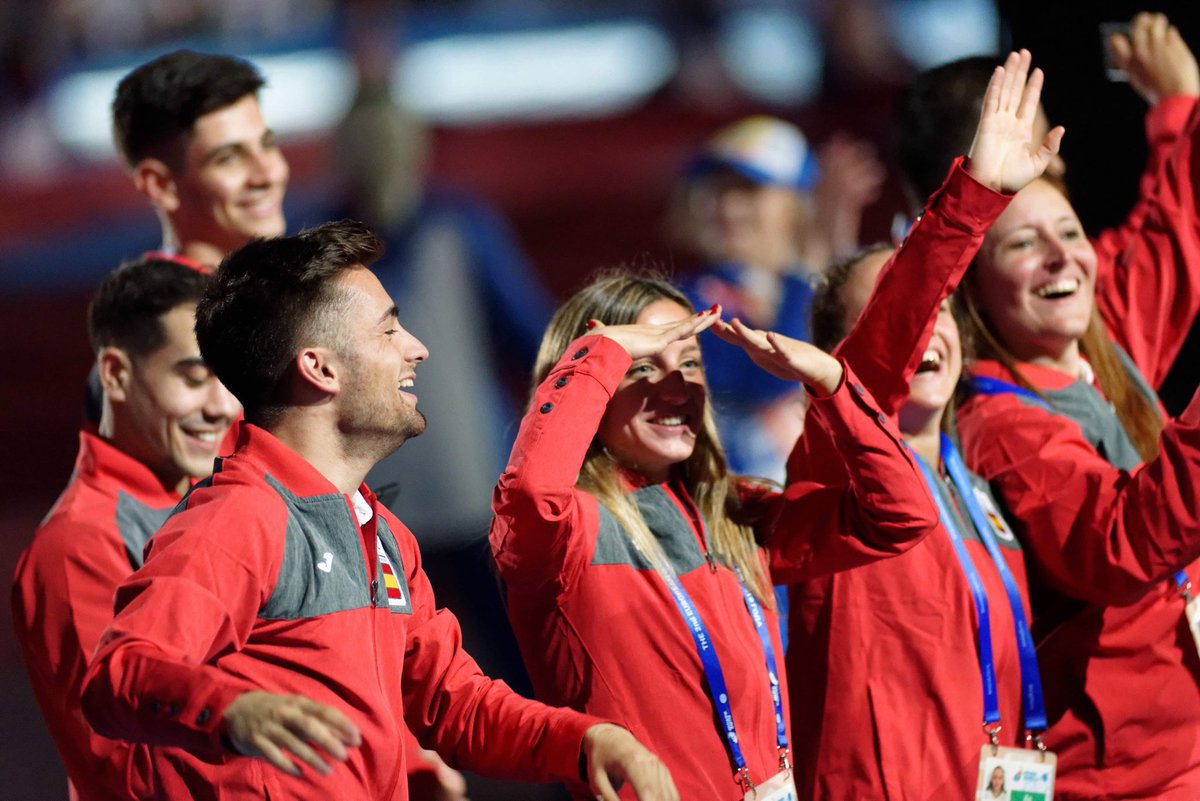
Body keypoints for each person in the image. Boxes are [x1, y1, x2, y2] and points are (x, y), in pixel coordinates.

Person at [79, 220, 678, 801]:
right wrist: (235, 709)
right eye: (389, 330)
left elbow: (453, 703)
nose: (418, 349)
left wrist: (588, 738)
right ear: (320, 367)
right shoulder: (237, 520)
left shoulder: (382, 533)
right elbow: (118, 675)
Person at [489, 268, 941, 799]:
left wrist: (831, 384)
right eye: (639, 368)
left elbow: (902, 514)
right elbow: (530, 492)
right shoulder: (567, 531)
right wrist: (600, 353)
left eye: (689, 363)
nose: (674, 386)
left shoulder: (733, 515)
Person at [781, 50, 1062, 799]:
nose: (925, 329)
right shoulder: (837, 462)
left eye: (941, 313)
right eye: (905, 317)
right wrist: (974, 197)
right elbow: (883, 348)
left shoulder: (972, 476)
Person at [953, 19, 1200, 800]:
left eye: (1069, 230)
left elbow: (1175, 230)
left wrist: (1176, 106)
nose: (1062, 254)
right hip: (1123, 778)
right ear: (977, 286)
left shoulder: (1106, 341)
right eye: (1023, 244)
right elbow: (1122, 541)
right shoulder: (998, 423)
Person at [13, 257, 241, 801]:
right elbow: (132, 772)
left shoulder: (213, 494)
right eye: (193, 376)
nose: (221, 406)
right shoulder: (77, 545)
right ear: (115, 373)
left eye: (229, 376)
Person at [672, 115, 884, 480]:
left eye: (749, 191)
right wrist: (812, 259)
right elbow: (774, 374)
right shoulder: (687, 302)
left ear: (801, 205)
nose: (728, 208)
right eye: (718, 190)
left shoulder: (819, 282)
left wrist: (833, 259)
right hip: (746, 514)